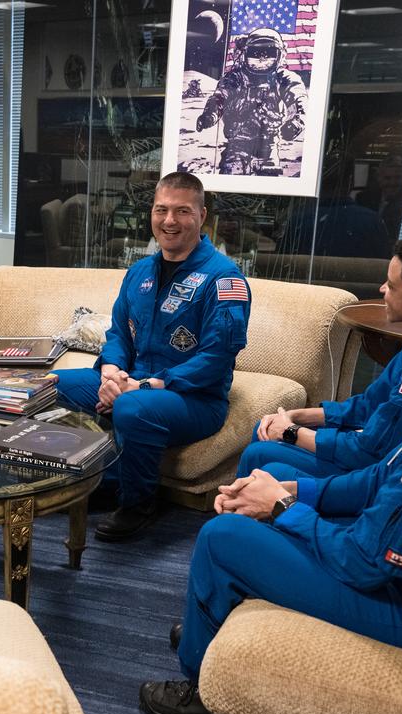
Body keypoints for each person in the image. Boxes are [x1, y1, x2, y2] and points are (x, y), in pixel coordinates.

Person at [140, 256, 402, 714]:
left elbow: (365, 562)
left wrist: (282, 506)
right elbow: (384, 480)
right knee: (253, 502)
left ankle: (203, 690)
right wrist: (295, 489)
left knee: (221, 540)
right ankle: (210, 621)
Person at [55, 172, 250, 541]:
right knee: (54, 386)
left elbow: (216, 358)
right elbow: (118, 333)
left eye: (182, 211)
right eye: (161, 210)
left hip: (193, 398)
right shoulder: (139, 271)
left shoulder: (224, 279)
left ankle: (137, 504)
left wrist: (140, 386)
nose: (169, 221)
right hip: (133, 380)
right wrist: (112, 372)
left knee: (133, 408)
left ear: (202, 215)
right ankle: (90, 478)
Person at [238, 232, 402, 480]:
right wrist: (298, 415)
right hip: (368, 449)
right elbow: (369, 405)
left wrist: (292, 432)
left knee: (260, 454)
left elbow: (371, 450)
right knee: (264, 429)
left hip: (374, 469)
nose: (382, 289)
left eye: (391, 285)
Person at [195, 28, 307, 176]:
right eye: (255, 53)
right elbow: (220, 97)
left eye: (269, 53)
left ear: (280, 55)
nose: (262, 58)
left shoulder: (283, 79)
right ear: (245, 54)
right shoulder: (235, 78)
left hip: (268, 147)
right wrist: (210, 115)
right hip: (237, 145)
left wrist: (296, 123)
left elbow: (298, 100)